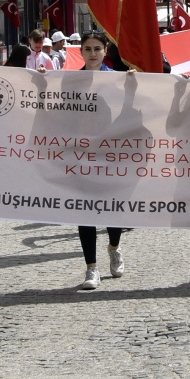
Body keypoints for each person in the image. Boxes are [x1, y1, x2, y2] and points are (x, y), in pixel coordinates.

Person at [76, 30, 135, 289]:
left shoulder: (117, 79)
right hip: (82, 155)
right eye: (87, 48)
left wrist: (133, 85)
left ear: (105, 50)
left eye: (96, 48)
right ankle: (91, 268)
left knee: (113, 210)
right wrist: (45, 82)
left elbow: (131, 108)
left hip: (110, 154)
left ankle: (114, 246)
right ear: (81, 52)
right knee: (84, 211)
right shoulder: (71, 81)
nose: (92, 53)